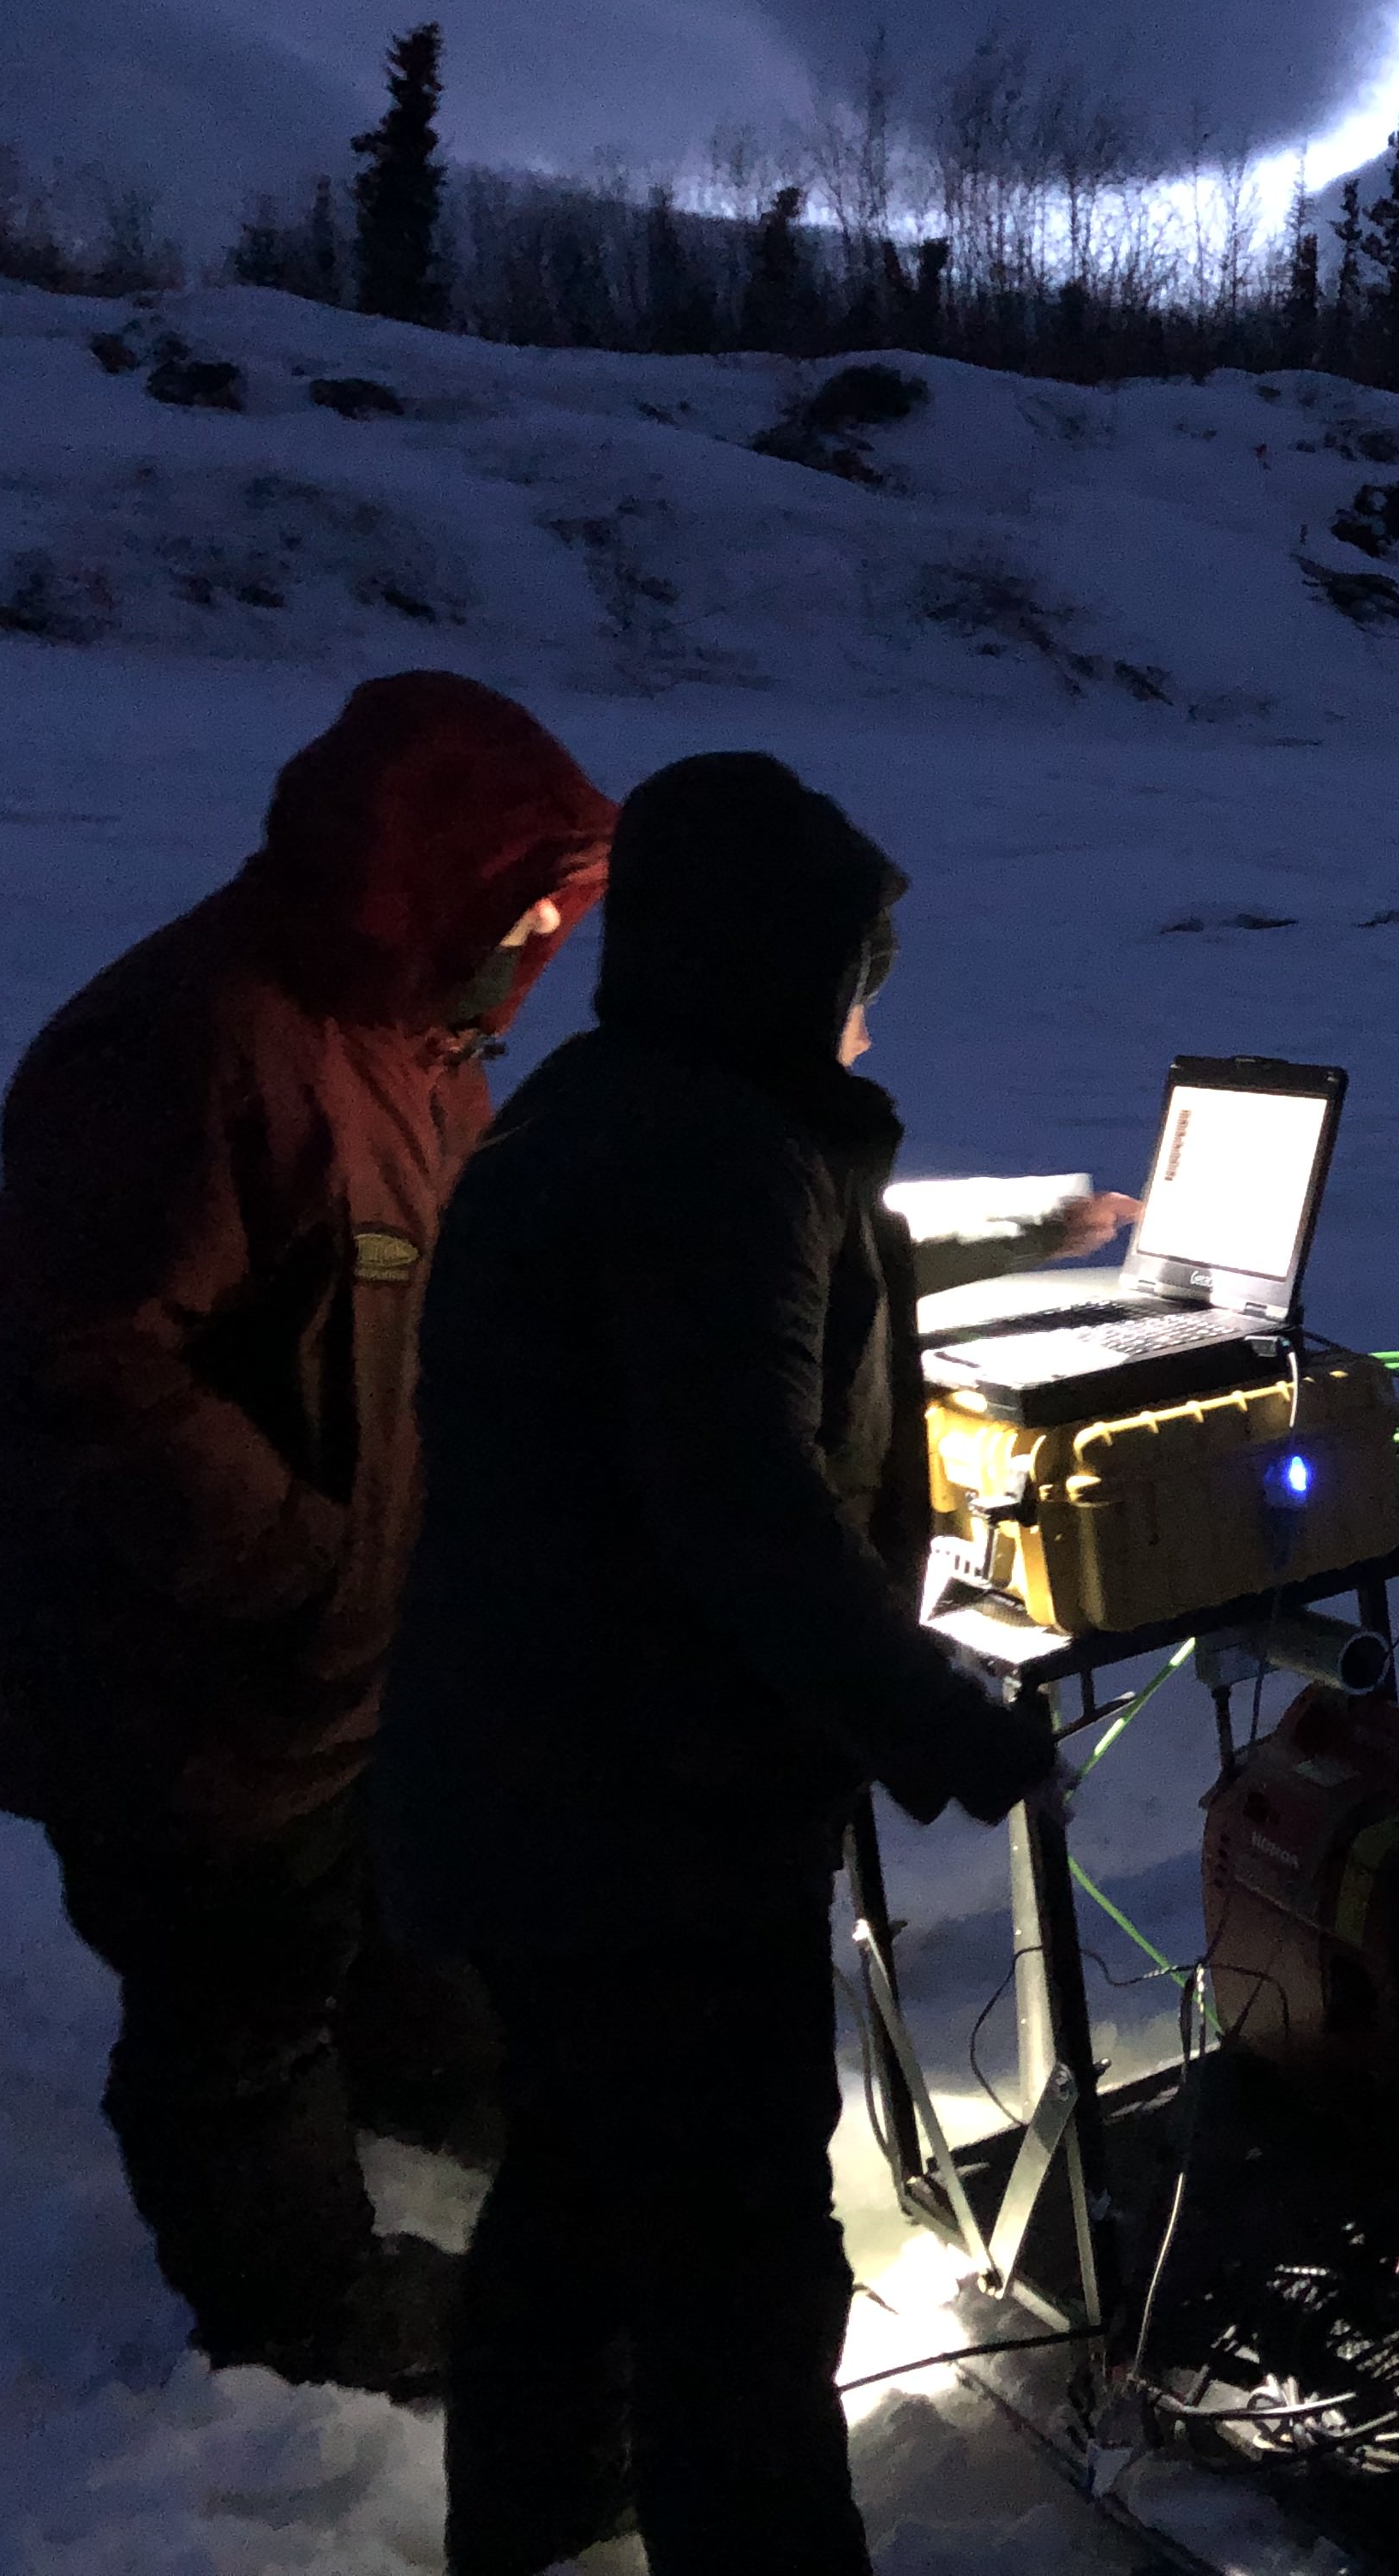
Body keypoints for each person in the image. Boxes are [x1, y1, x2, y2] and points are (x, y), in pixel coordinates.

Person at [374, 751, 1065, 2576]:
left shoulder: (625, 1107)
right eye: (854, 968)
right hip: (639, 1815)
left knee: (585, 2191)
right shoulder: (711, 1159)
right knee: (740, 2258)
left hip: (541, 1780)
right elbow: (740, 1505)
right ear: (772, 962)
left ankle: (541, 2520)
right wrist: (940, 1720)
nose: (862, 1013)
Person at [0, 671, 616, 2397]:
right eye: (524, 891)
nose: (546, 929)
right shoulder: (193, 1045)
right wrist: (310, 1567)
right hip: (178, 1689)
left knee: (403, 1924)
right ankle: (298, 2316)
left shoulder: (417, 1039)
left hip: (357, 1669)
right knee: (230, 2009)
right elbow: (51, 1363)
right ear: (415, 870)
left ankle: (445, 2105)